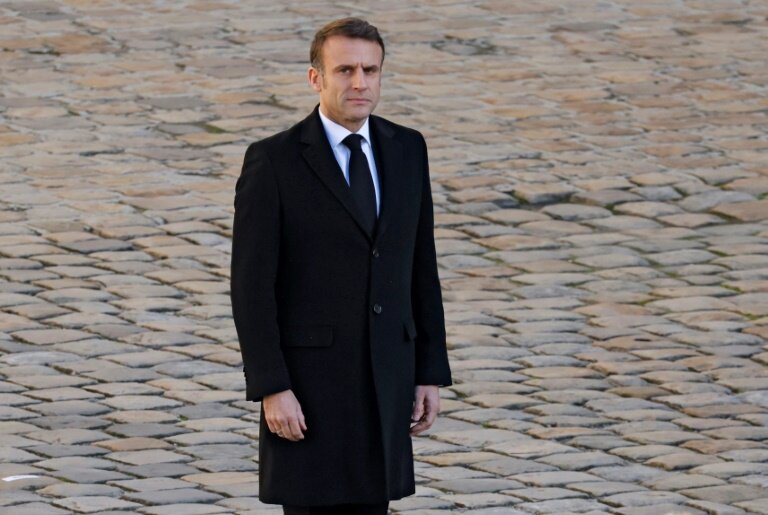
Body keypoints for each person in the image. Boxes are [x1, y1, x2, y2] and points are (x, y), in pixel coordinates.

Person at [230, 17, 452, 515]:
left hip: (386, 380)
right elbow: (251, 288)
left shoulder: (406, 149)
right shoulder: (274, 161)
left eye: (370, 71)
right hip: (310, 388)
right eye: (345, 70)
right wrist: (272, 387)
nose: (360, 83)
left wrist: (428, 372)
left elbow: (421, 265)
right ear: (316, 78)